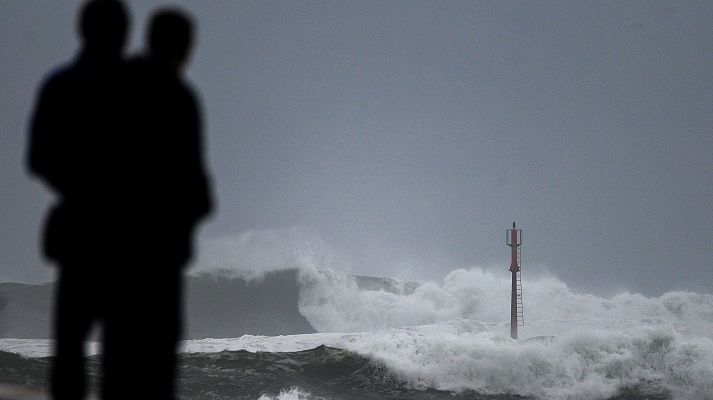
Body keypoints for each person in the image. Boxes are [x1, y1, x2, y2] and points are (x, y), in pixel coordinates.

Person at [27, 1, 211, 398]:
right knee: (130, 360)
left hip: (79, 235)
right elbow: (191, 188)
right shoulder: (166, 94)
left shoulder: (72, 84)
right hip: (141, 248)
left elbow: (40, 159)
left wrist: (78, 191)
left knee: (71, 349)